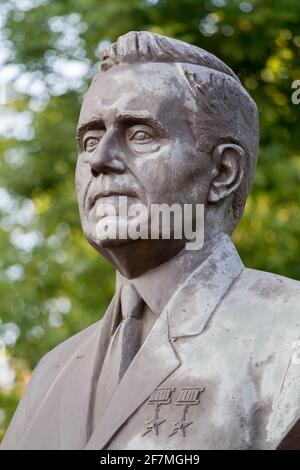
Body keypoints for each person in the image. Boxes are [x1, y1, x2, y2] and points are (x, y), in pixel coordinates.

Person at [2, 31, 300, 450]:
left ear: (223, 172)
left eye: (140, 134)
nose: (100, 160)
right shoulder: (52, 374)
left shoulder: (290, 335)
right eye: (89, 140)